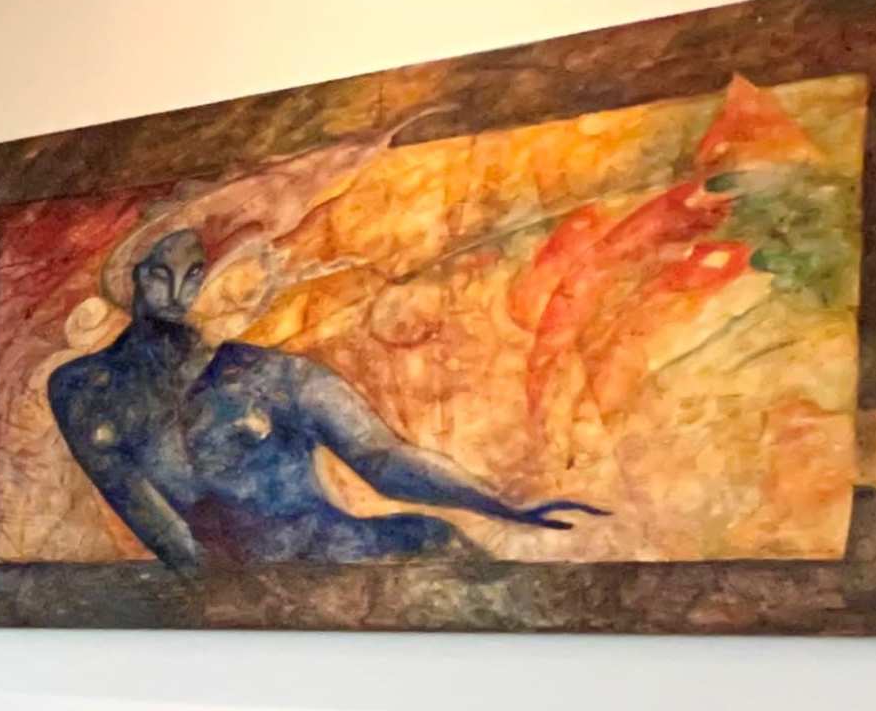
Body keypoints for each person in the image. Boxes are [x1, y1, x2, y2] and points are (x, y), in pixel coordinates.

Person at [50, 229, 603, 566]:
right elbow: (162, 531)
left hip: (342, 553)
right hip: (244, 598)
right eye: (158, 276)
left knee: (437, 544)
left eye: (192, 275)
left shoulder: (270, 375)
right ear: (133, 279)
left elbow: (381, 461)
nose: (176, 293)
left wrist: (500, 506)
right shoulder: (83, 390)